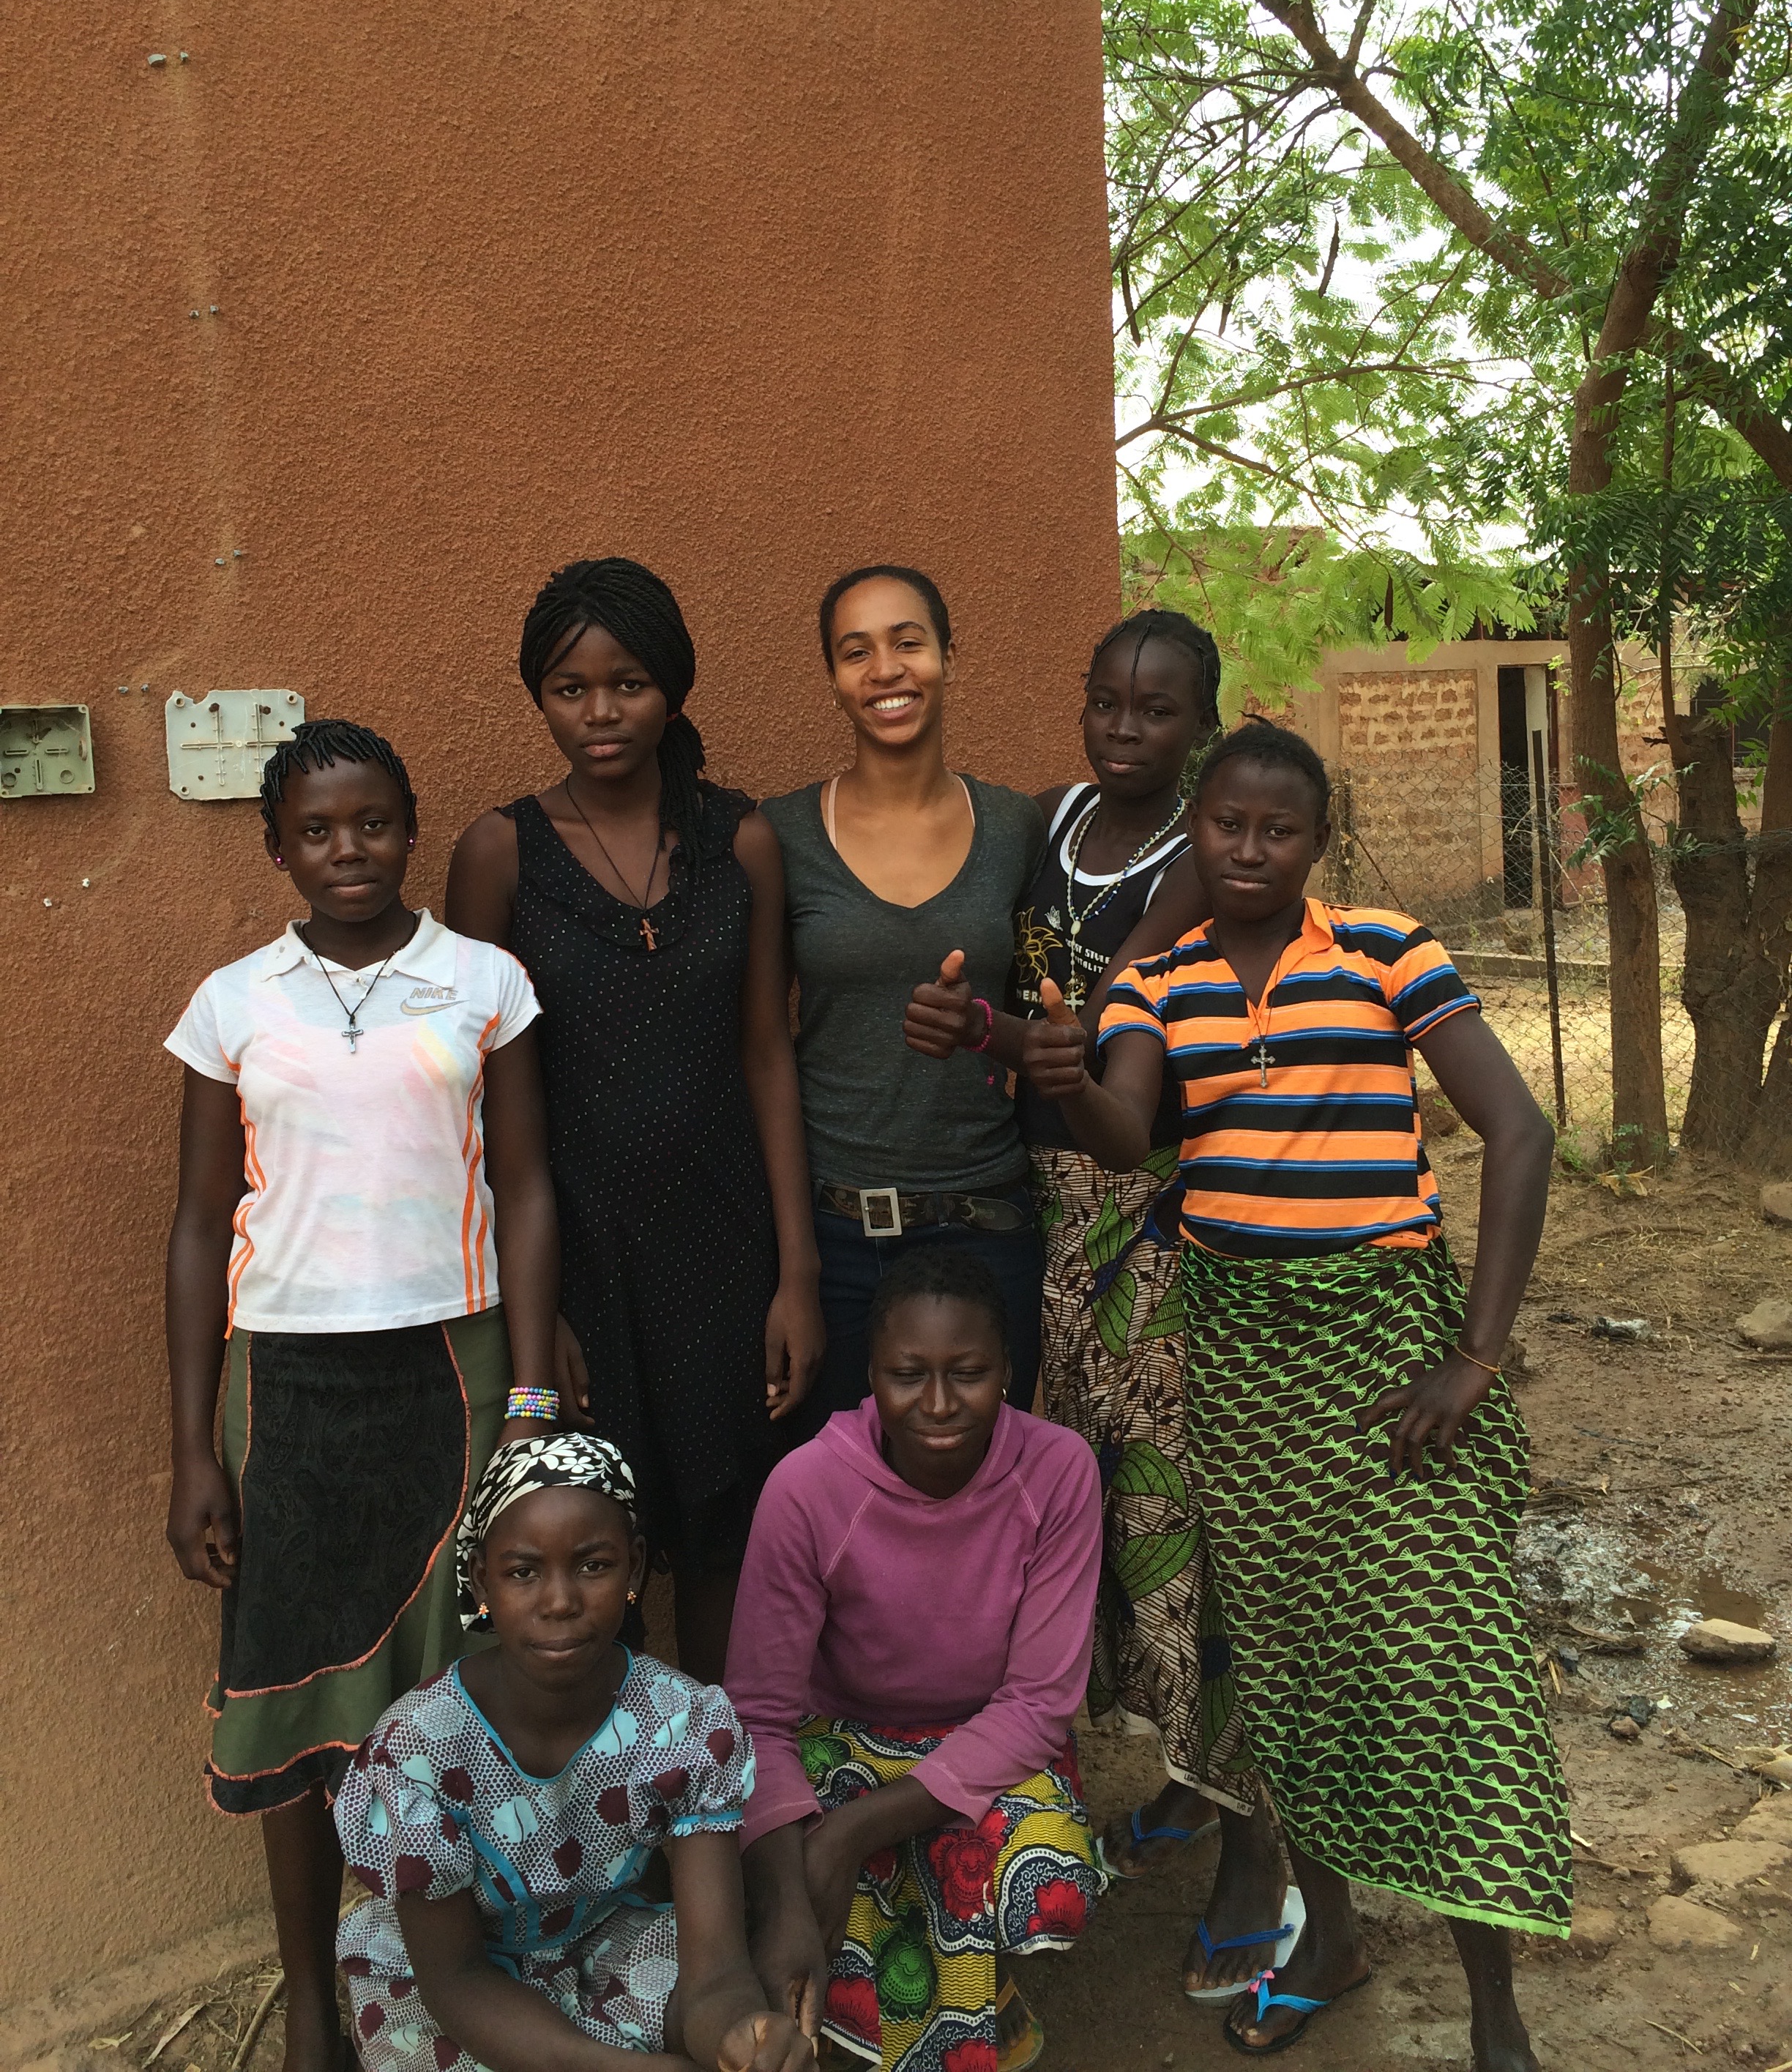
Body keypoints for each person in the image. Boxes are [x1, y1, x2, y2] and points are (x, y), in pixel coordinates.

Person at [1024, 718, 1570, 2065]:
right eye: (1223, 825)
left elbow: (1518, 1129)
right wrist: (1053, 1069)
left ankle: (1494, 2009)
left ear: (1314, 841)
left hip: (1390, 1348)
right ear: (1192, 832)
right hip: (1243, 1353)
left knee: (1446, 1662)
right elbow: (1130, 1129)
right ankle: (1323, 1936)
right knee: (1286, 1665)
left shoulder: (1388, 950)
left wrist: (1475, 1351)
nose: (1247, 849)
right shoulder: (1159, 980)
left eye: (1276, 829)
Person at [164, 719, 561, 2072]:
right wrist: (190, 1450)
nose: (351, 849)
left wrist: (537, 1387)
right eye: (319, 829)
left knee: (458, 1683)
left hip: (452, 1370)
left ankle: (463, 1984)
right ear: (277, 845)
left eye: (376, 822)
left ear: (409, 825)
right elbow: (196, 1224)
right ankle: (317, 2012)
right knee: (291, 1688)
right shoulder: (232, 1002)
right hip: (285, 1384)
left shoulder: (483, 980)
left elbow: (526, 1186)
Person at [903, 606, 1290, 1993]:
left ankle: (1261, 1853)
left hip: (1158, 1224)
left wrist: (984, 1034)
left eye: (1158, 709)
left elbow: (1102, 1037)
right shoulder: (1056, 816)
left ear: (1201, 725)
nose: (1125, 727)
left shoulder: (1202, 858)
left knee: (1194, 1527)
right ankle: (1183, 1777)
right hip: (1058, 1227)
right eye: (1107, 700)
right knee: (1103, 1521)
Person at [447, 558, 824, 1684]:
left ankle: (709, 1787)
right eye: (570, 688)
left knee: (721, 1537)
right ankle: (619, 1826)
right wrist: (533, 1301)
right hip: (580, 1257)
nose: (600, 713)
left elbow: (768, 1052)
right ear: (540, 698)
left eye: (628, 685)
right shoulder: (499, 854)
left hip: (723, 1247)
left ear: (673, 690)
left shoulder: (740, 842)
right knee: (593, 1540)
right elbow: (473, 1093)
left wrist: (795, 1273)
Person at [725, 1250, 1105, 2072]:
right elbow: (759, 1714)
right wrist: (794, 1889)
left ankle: (977, 1990)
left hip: (991, 1738)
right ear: (870, 1374)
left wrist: (848, 1838)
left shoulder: (1059, 1471)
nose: (937, 1404)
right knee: (802, 1881)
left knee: (1043, 1878)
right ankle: (905, 2020)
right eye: (908, 1374)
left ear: (1007, 1369)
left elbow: (1038, 1703)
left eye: (966, 1373)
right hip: (844, 1735)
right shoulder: (809, 1487)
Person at [333, 1431, 815, 2072]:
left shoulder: (682, 1726)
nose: (560, 1601)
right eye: (523, 1572)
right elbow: (456, 1979)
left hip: (609, 1938)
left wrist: (742, 2033)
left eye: (593, 1565)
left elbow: (715, 1976)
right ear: (481, 1580)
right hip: (458, 1988)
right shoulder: (418, 1753)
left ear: (636, 1568)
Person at [761, 566, 1048, 1434]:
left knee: (980, 1500)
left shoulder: (1016, 828)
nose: (885, 669)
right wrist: (797, 1271)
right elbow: (767, 1049)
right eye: (857, 652)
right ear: (834, 679)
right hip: (838, 1234)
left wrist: (986, 1029)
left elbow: (1045, 1023)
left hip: (989, 1224)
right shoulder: (780, 835)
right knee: (840, 1513)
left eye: (907, 642)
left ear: (949, 657)